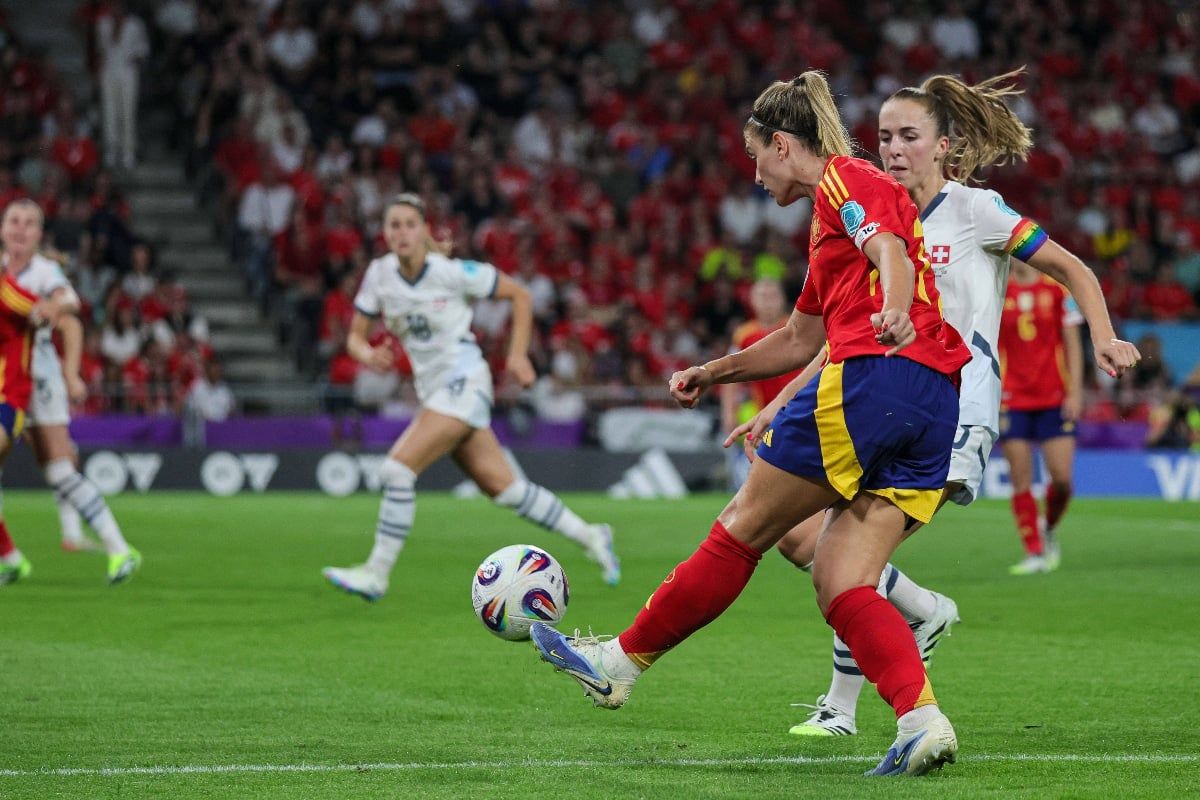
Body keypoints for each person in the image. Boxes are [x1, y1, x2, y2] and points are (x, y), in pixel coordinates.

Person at [531, 72, 974, 777]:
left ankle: (618, 663)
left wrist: (893, 307)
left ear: (782, 144)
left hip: (875, 378)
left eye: (755, 156)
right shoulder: (829, 227)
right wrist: (715, 372)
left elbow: (888, 250)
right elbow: (798, 338)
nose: (755, 173)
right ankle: (922, 722)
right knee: (843, 579)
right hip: (933, 399)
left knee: (742, 528)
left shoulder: (844, 178)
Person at [746, 71, 1139, 736]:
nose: (893, 150)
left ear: (944, 146)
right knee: (801, 539)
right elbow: (849, 331)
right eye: (884, 138)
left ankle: (852, 701)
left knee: (843, 551)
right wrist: (782, 397)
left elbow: (1072, 267)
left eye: (909, 136)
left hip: (956, 408)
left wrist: (1103, 336)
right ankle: (919, 616)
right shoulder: (877, 215)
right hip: (882, 400)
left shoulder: (977, 211)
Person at [322, 194, 619, 602]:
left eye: (410, 224)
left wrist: (517, 355)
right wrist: (368, 354)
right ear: (385, 233)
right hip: (435, 393)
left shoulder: (452, 273)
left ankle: (376, 573)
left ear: (424, 230)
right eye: (394, 225)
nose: (402, 232)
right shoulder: (380, 274)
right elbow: (355, 338)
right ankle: (591, 535)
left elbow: (520, 294)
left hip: (464, 382)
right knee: (507, 490)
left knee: (396, 470)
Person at [0, 199, 142, 584]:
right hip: (4, 381)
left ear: (39, 234)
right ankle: (10, 556)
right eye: (14, 221)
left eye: (29, 223)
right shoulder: (2, 269)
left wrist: (71, 373)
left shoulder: (43, 272)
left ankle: (117, 547)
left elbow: (71, 311)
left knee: (60, 471)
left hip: (39, 380)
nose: (20, 229)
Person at [998, 259, 1084, 574]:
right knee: (1021, 478)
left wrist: (1075, 392)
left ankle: (1048, 526)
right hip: (1011, 397)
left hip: (1054, 396)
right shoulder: (998, 290)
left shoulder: (1058, 290)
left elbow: (1073, 344)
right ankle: (1033, 552)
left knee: (1062, 481)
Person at [718, 278, 797, 490]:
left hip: (798, 409)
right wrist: (728, 412)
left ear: (783, 299)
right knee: (759, 475)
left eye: (773, 296)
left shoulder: (795, 328)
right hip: (763, 413)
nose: (768, 302)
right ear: (752, 301)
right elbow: (730, 374)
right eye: (763, 296)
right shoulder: (744, 335)